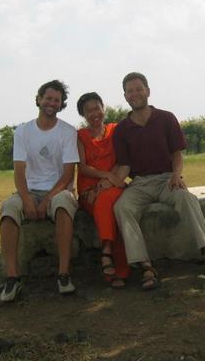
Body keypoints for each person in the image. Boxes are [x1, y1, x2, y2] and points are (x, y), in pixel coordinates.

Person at [113, 72, 205, 290]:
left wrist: (177, 174)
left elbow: (177, 153)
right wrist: (109, 182)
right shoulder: (122, 130)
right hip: (139, 183)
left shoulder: (166, 118)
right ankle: (145, 265)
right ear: (125, 96)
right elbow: (125, 166)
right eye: (130, 91)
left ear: (148, 91)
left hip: (167, 178)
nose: (135, 93)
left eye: (139, 88)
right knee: (122, 207)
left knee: (187, 199)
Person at [0, 80, 80, 302]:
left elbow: (67, 175)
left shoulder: (67, 132)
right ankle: (13, 277)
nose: (52, 103)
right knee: (8, 211)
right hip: (30, 189)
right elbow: (19, 172)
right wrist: (26, 199)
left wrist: (46, 201)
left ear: (61, 104)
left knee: (63, 205)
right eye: (48, 98)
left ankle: (63, 274)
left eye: (57, 100)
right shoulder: (23, 131)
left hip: (58, 190)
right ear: (39, 99)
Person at [76, 92, 130, 288]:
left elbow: (122, 160)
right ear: (83, 114)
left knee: (109, 204)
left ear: (103, 108)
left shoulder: (115, 130)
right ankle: (120, 269)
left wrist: (109, 180)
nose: (94, 113)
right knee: (104, 205)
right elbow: (82, 167)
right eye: (88, 110)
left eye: (97, 108)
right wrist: (104, 177)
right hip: (89, 190)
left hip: (113, 185)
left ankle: (106, 251)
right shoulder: (80, 136)